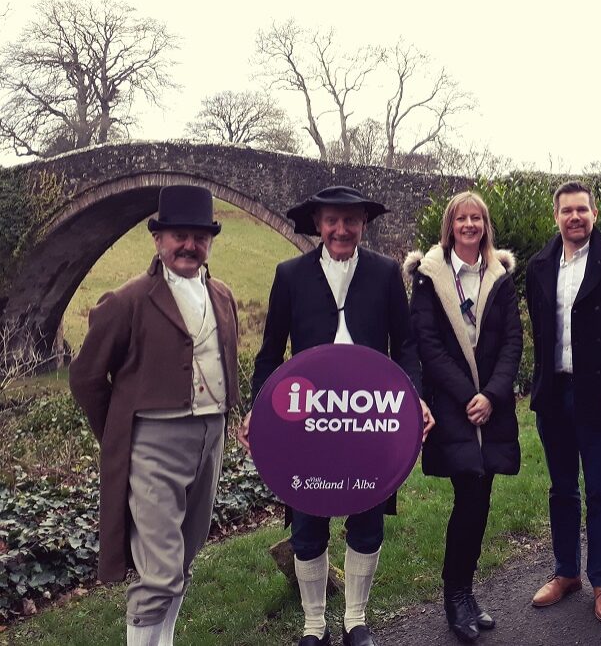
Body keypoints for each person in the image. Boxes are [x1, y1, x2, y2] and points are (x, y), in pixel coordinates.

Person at [238, 185, 435, 646]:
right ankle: (313, 625)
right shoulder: (289, 275)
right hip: (309, 420)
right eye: (332, 220)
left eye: (350, 220)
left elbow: (406, 347)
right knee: (308, 522)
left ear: (363, 224)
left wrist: (415, 399)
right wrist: (257, 410)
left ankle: (356, 621)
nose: (341, 229)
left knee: (368, 517)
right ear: (318, 225)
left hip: (369, 418)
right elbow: (269, 354)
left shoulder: (386, 273)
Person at [69, 185, 239, 646]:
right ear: (158, 240)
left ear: (210, 242)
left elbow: (227, 361)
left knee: (184, 557)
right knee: (158, 573)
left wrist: (229, 414)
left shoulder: (222, 295)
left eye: (199, 237)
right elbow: (85, 377)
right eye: (179, 235)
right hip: (153, 440)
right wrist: (120, 432)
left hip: (212, 434)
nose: (189, 245)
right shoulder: (126, 300)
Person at [525, 181, 601, 624]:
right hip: (553, 393)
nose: (574, 217)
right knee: (561, 488)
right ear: (555, 216)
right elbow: (541, 329)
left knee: (600, 490)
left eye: (582, 210)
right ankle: (565, 572)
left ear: (594, 214)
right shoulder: (538, 266)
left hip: (598, 393)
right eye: (566, 211)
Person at [405, 191, 523, 643]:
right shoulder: (429, 276)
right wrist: (468, 395)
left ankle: (467, 594)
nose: (469, 225)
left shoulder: (500, 275)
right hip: (454, 404)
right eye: (461, 219)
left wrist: (491, 395)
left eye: (477, 218)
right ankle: (455, 595)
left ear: (485, 226)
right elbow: (427, 345)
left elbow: (513, 340)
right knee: (469, 495)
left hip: (489, 405)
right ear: (450, 226)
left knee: (481, 497)